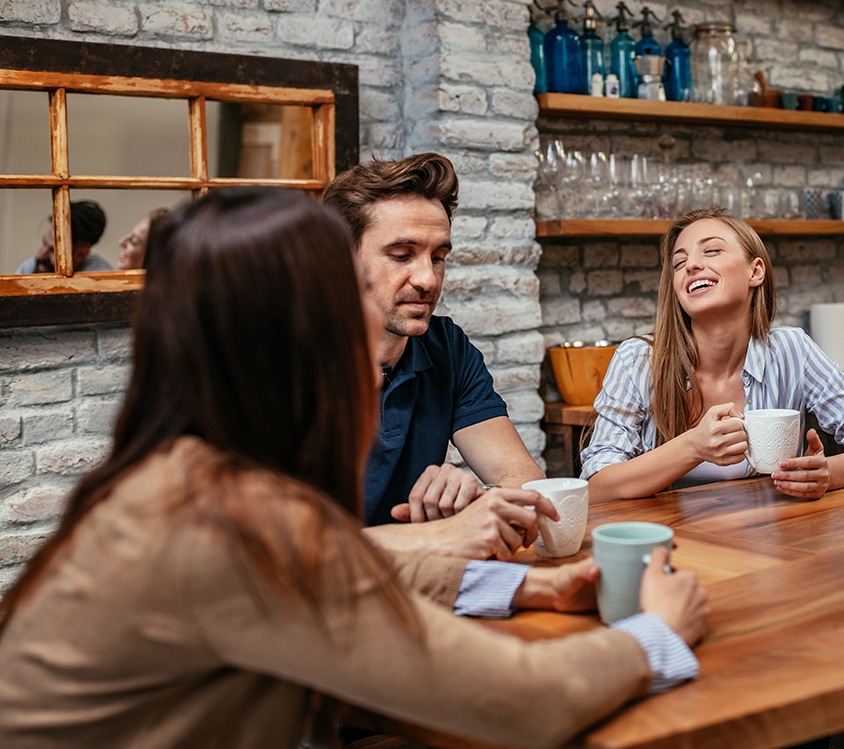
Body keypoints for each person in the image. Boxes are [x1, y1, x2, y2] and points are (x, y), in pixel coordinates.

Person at [0, 187, 708, 748]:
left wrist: (528, 590)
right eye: (348, 310)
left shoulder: (189, 474)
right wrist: (655, 634)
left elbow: (331, 565)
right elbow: (528, 699)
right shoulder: (226, 520)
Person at [582, 207, 844, 503]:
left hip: (775, 545)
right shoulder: (638, 360)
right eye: (679, 263)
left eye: (711, 251)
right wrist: (693, 446)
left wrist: (827, 474)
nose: (692, 265)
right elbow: (598, 485)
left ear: (755, 272)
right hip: (672, 548)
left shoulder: (790, 351)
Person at [323, 154, 549, 557]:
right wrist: (436, 536)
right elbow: (284, 550)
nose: (428, 279)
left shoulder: (448, 348)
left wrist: (478, 499)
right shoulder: (285, 360)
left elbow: (523, 479)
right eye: (401, 255)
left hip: (423, 585)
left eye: (438, 257)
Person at [15, 200, 112, 273]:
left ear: (81, 254)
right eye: (44, 243)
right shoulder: (31, 266)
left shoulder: (99, 276)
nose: (41, 254)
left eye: (54, 251)